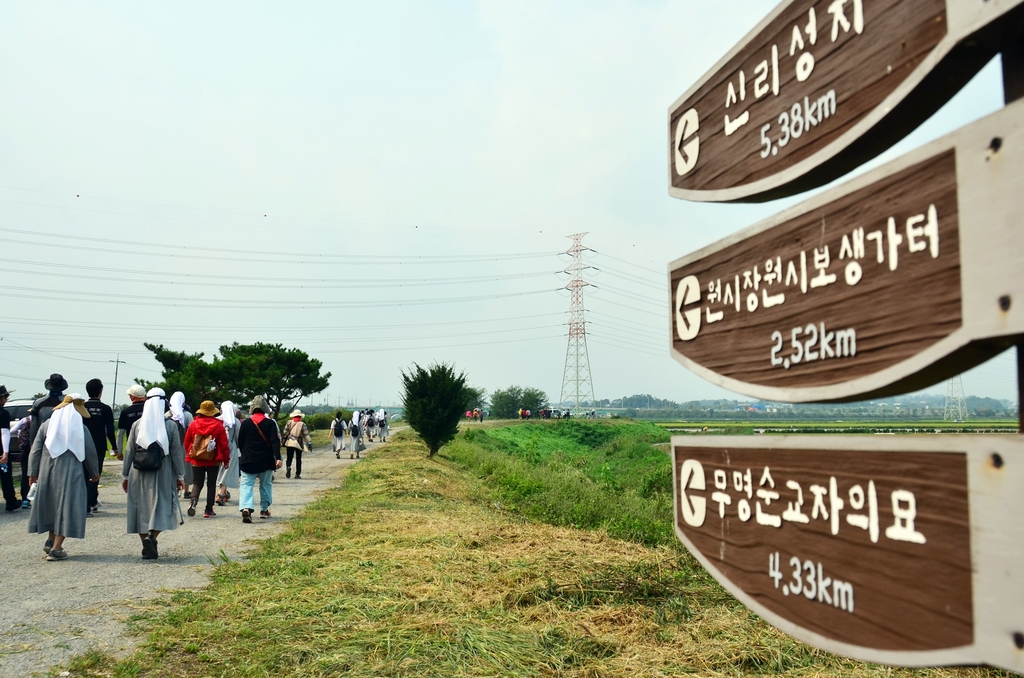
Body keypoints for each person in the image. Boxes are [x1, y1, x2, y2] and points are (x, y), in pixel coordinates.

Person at [27, 394, 100, 561]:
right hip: (71, 473)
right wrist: (94, 473)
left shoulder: (47, 425)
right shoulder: (81, 429)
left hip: (47, 472)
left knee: (53, 506)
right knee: (68, 507)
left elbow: (36, 450)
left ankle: (51, 539)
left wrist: (33, 473)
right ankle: (56, 549)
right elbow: (90, 453)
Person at [122, 388, 185, 559]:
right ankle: (152, 537)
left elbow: (129, 451)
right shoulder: (171, 426)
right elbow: (176, 453)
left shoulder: (137, 425)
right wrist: (180, 476)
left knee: (140, 507)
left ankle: (145, 542)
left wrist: (125, 475)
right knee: (161, 506)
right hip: (163, 472)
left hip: (138, 471)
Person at [24, 373, 68, 509]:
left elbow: (34, 426)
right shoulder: (66, 402)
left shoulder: (39, 403)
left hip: (43, 441)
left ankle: (32, 498)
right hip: (62, 442)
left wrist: (33, 443)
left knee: (39, 471)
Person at [236, 396, 282, 522]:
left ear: (252, 409)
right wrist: (278, 458)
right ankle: (264, 509)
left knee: (246, 484)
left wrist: (245, 454)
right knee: (265, 484)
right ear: (265, 409)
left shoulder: (245, 423)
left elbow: (240, 442)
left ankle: (246, 507)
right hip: (266, 460)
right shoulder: (270, 423)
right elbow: (274, 441)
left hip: (248, 459)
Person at [183, 401, 230, 519]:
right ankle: (208, 509)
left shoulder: (194, 424)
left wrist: (192, 452)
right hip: (213, 459)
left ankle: (193, 503)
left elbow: (187, 441)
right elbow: (224, 444)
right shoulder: (218, 425)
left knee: (197, 483)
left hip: (197, 460)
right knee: (211, 484)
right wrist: (226, 459)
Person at [82, 378, 117, 515]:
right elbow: (109, 429)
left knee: (84, 474)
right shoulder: (105, 409)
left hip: (82, 445)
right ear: (101, 391)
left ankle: (86, 503)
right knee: (95, 474)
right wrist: (114, 447)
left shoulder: (81, 407)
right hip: (98, 446)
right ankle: (91, 502)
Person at [167, 392, 194, 498]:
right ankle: (186, 490)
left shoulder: (167, 415)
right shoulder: (187, 415)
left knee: (172, 466)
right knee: (185, 467)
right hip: (184, 445)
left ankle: (174, 489)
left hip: (170, 445)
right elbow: (192, 431)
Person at [215, 402, 241, 506]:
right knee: (227, 470)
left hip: (217, 447)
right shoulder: (235, 421)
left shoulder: (217, 419)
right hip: (231, 446)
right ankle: (220, 494)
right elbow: (238, 436)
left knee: (220, 470)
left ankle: (225, 493)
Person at [0, 385, 20, 512]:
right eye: (6, 397)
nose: (6, 400)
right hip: (1, 452)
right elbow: (4, 433)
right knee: (6, 477)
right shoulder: (3, 413)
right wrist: (5, 452)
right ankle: (11, 502)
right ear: (1, 398)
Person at [116, 384, 148, 460]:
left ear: (132, 397)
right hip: (148, 445)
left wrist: (119, 452)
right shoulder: (149, 410)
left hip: (132, 446)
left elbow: (120, 434)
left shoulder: (125, 412)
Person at [282, 410, 310, 479]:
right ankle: (297, 474)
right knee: (298, 459)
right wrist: (309, 442)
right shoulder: (302, 424)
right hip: (298, 443)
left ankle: (288, 466)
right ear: (300, 416)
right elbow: (306, 434)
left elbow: (285, 431)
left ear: (294, 416)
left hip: (290, 442)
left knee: (289, 457)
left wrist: (290, 434)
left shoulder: (289, 422)